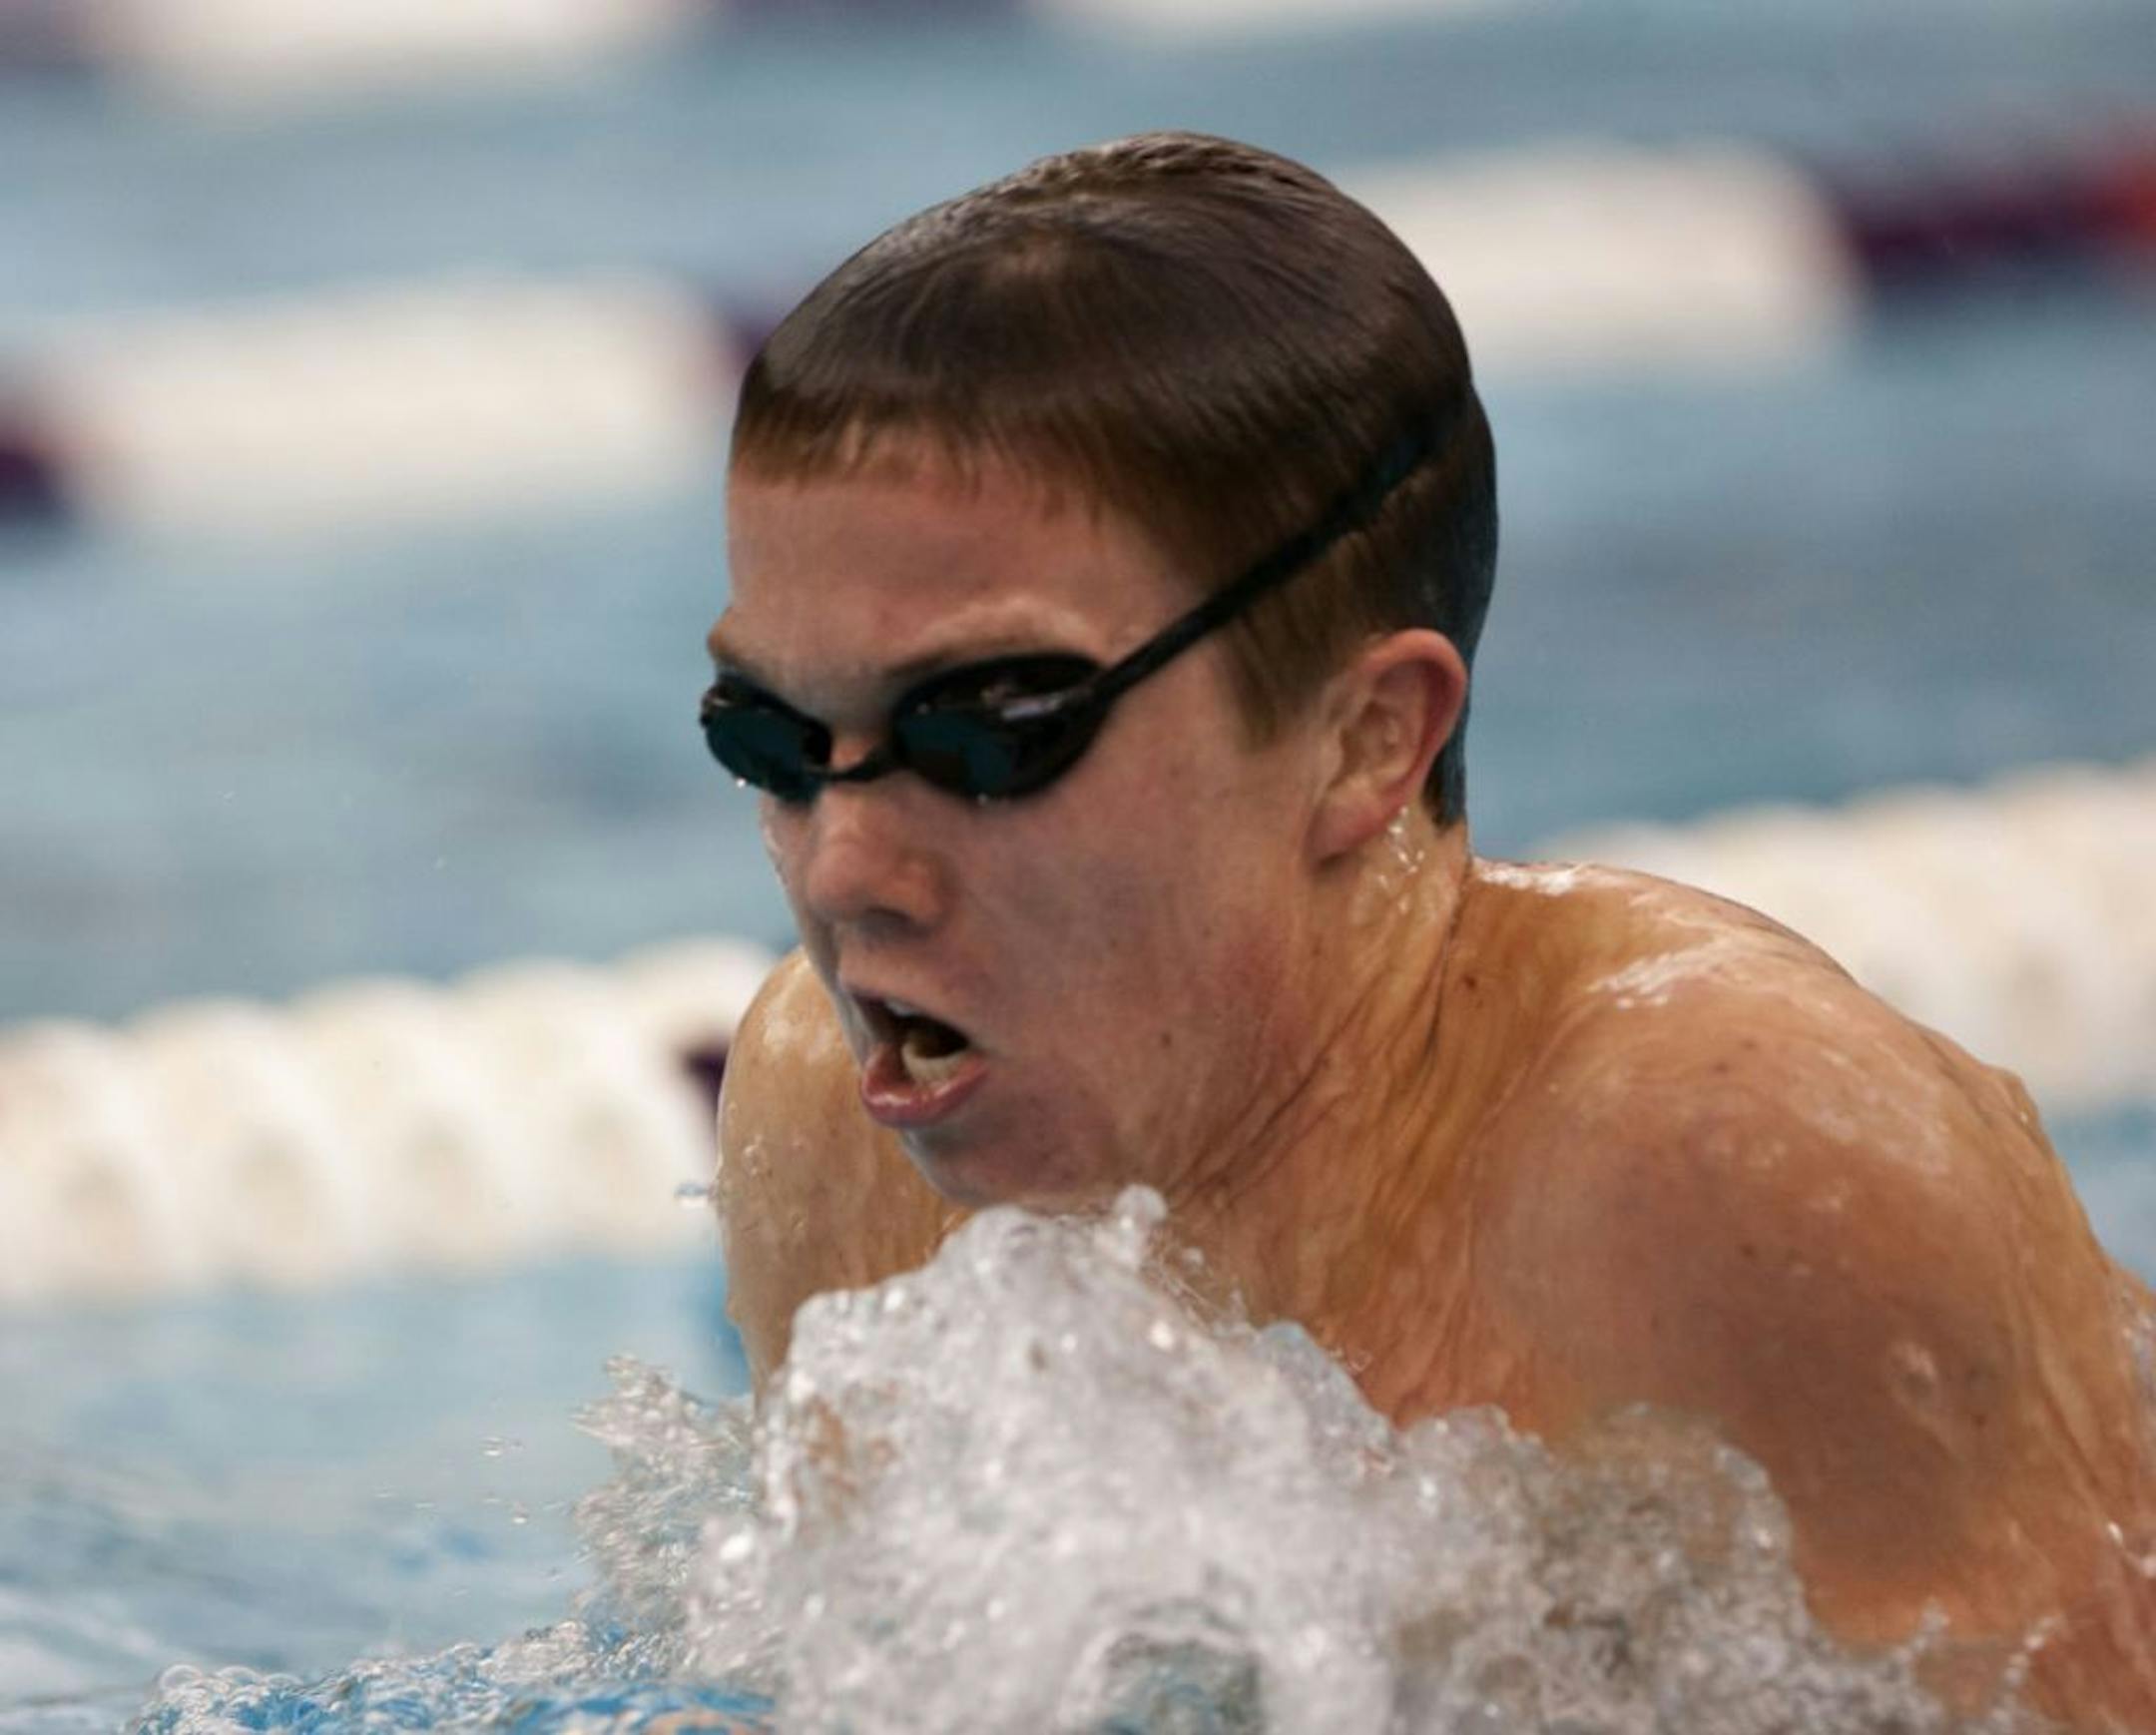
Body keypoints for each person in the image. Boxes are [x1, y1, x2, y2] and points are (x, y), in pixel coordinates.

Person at [701, 131, 2155, 1724]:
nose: (846, 873)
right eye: (772, 739)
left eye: (992, 728)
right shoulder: (833, 1136)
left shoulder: (1722, 1168)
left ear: (1365, 737)